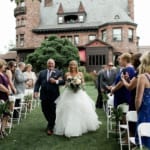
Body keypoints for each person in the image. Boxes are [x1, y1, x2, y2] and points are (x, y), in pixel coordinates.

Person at [54, 60, 100, 138]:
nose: (72, 66)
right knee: (68, 110)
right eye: (71, 65)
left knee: (80, 109)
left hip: (78, 93)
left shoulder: (80, 73)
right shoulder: (67, 74)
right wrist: (67, 85)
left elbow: (83, 82)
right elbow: (66, 83)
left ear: (76, 66)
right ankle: (67, 128)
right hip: (69, 93)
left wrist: (78, 85)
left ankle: (81, 127)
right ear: (69, 66)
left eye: (74, 65)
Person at [34, 58, 64, 135]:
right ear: (47, 64)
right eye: (49, 63)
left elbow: (62, 81)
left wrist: (55, 81)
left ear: (54, 64)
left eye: (52, 63)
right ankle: (51, 123)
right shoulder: (42, 72)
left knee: (53, 111)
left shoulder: (58, 72)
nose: (50, 65)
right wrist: (36, 91)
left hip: (54, 95)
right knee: (45, 110)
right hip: (44, 95)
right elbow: (37, 83)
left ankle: (50, 128)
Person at [135, 52, 150, 149]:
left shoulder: (143, 77)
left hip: (145, 113)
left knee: (143, 142)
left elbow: (138, 99)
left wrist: (137, 110)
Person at [0, 59, 11, 137]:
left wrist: (9, 89)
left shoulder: (3, 74)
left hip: (5, 97)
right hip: (0, 97)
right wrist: (7, 90)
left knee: (6, 114)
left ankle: (2, 130)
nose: (5, 66)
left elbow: (7, 83)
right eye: (4, 65)